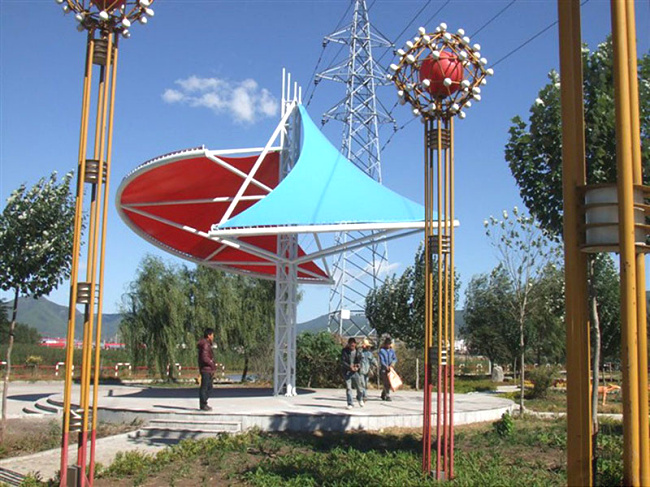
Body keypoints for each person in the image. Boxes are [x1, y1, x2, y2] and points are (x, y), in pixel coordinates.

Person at [197, 328, 216, 411]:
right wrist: (211, 364)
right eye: (212, 335)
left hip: (207, 369)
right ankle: (203, 404)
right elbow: (204, 358)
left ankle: (204, 402)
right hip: (206, 369)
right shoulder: (205, 345)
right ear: (209, 335)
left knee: (209, 387)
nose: (213, 337)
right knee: (205, 387)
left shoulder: (207, 344)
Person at [341, 337, 363, 409]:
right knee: (348, 388)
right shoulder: (344, 351)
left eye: (353, 344)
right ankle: (350, 403)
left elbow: (360, 361)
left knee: (359, 388)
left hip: (356, 372)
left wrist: (358, 366)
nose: (352, 345)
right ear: (348, 344)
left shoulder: (358, 352)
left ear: (355, 344)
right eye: (351, 344)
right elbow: (343, 361)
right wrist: (349, 367)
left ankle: (359, 398)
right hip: (347, 371)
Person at [379, 337, 397, 401]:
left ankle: (384, 393)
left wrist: (392, 365)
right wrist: (386, 366)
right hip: (384, 369)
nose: (388, 345)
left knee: (389, 382)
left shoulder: (392, 351)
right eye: (387, 344)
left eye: (389, 344)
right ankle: (387, 395)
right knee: (386, 382)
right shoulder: (382, 351)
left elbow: (395, 359)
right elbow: (382, 360)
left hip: (391, 369)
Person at [359, 338, 377, 403]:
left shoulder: (370, 354)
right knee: (362, 384)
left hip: (367, 370)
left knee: (365, 383)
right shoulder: (360, 353)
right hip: (361, 370)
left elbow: (373, 360)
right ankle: (364, 396)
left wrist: (376, 365)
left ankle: (363, 395)